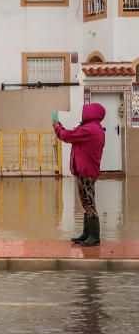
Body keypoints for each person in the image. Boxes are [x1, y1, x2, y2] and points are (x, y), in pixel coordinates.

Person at [53, 103, 106, 246]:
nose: (83, 114)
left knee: (89, 203)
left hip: (85, 172)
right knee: (87, 202)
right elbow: (73, 136)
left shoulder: (89, 129)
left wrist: (57, 127)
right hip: (87, 171)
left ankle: (94, 237)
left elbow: (66, 136)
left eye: (85, 112)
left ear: (91, 114)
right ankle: (87, 234)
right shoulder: (94, 128)